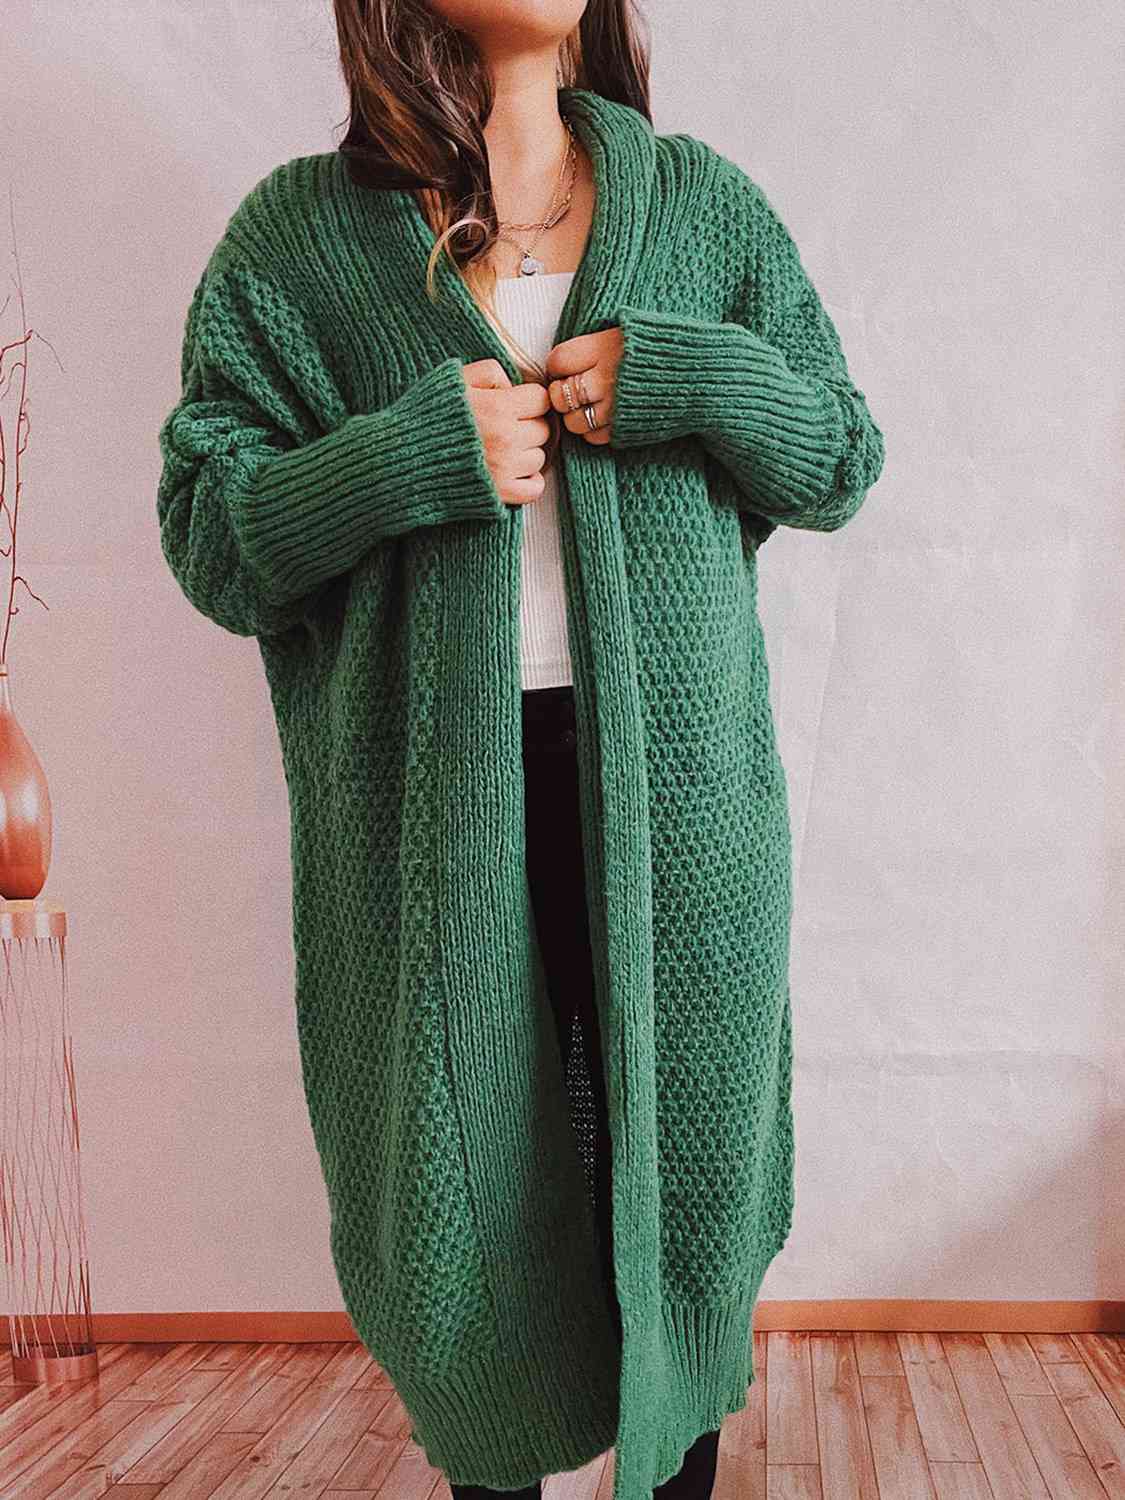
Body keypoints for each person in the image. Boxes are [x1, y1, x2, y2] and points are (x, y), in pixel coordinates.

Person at [156, 1, 886, 1496]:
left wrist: (691, 375)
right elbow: (213, 539)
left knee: (682, 1180)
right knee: (458, 1194)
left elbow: (837, 455)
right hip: (429, 816)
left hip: (678, 803)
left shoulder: (699, 208)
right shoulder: (299, 242)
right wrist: (403, 457)